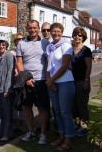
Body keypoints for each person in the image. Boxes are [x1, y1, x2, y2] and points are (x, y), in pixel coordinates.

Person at [16, 20, 50, 144]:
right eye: (30, 28)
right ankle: (31, 132)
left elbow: (49, 61)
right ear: (27, 28)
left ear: (38, 28)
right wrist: (26, 78)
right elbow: (19, 62)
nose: (32, 30)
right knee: (27, 108)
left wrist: (48, 78)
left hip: (41, 81)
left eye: (35, 28)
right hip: (27, 81)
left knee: (43, 109)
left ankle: (43, 134)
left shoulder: (45, 43)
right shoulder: (21, 43)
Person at [46, 23, 75, 151]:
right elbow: (48, 66)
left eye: (58, 31)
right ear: (50, 33)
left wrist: (51, 80)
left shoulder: (67, 46)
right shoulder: (50, 47)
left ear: (62, 32)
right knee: (57, 112)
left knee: (65, 112)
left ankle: (68, 139)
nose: (56, 33)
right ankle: (61, 136)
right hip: (53, 83)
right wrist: (49, 80)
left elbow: (64, 66)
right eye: (53, 31)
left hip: (65, 82)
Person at [0, 36, 15, 141]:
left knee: (6, 112)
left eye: (3, 44)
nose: (1, 46)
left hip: (5, 88)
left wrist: (7, 89)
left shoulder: (9, 56)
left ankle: (6, 134)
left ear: (6, 44)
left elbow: (10, 73)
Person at [71, 27, 92, 137]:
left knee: (82, 105)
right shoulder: (70, 49)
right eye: (75, 34)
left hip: (82, 81)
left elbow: (89, 66)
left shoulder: (86, 50)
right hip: (71, 81)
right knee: (74, 105)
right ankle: (77, 124)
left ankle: (85, 127)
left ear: (83, 37)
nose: (77, 37)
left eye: (80, 35)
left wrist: (86, 81)